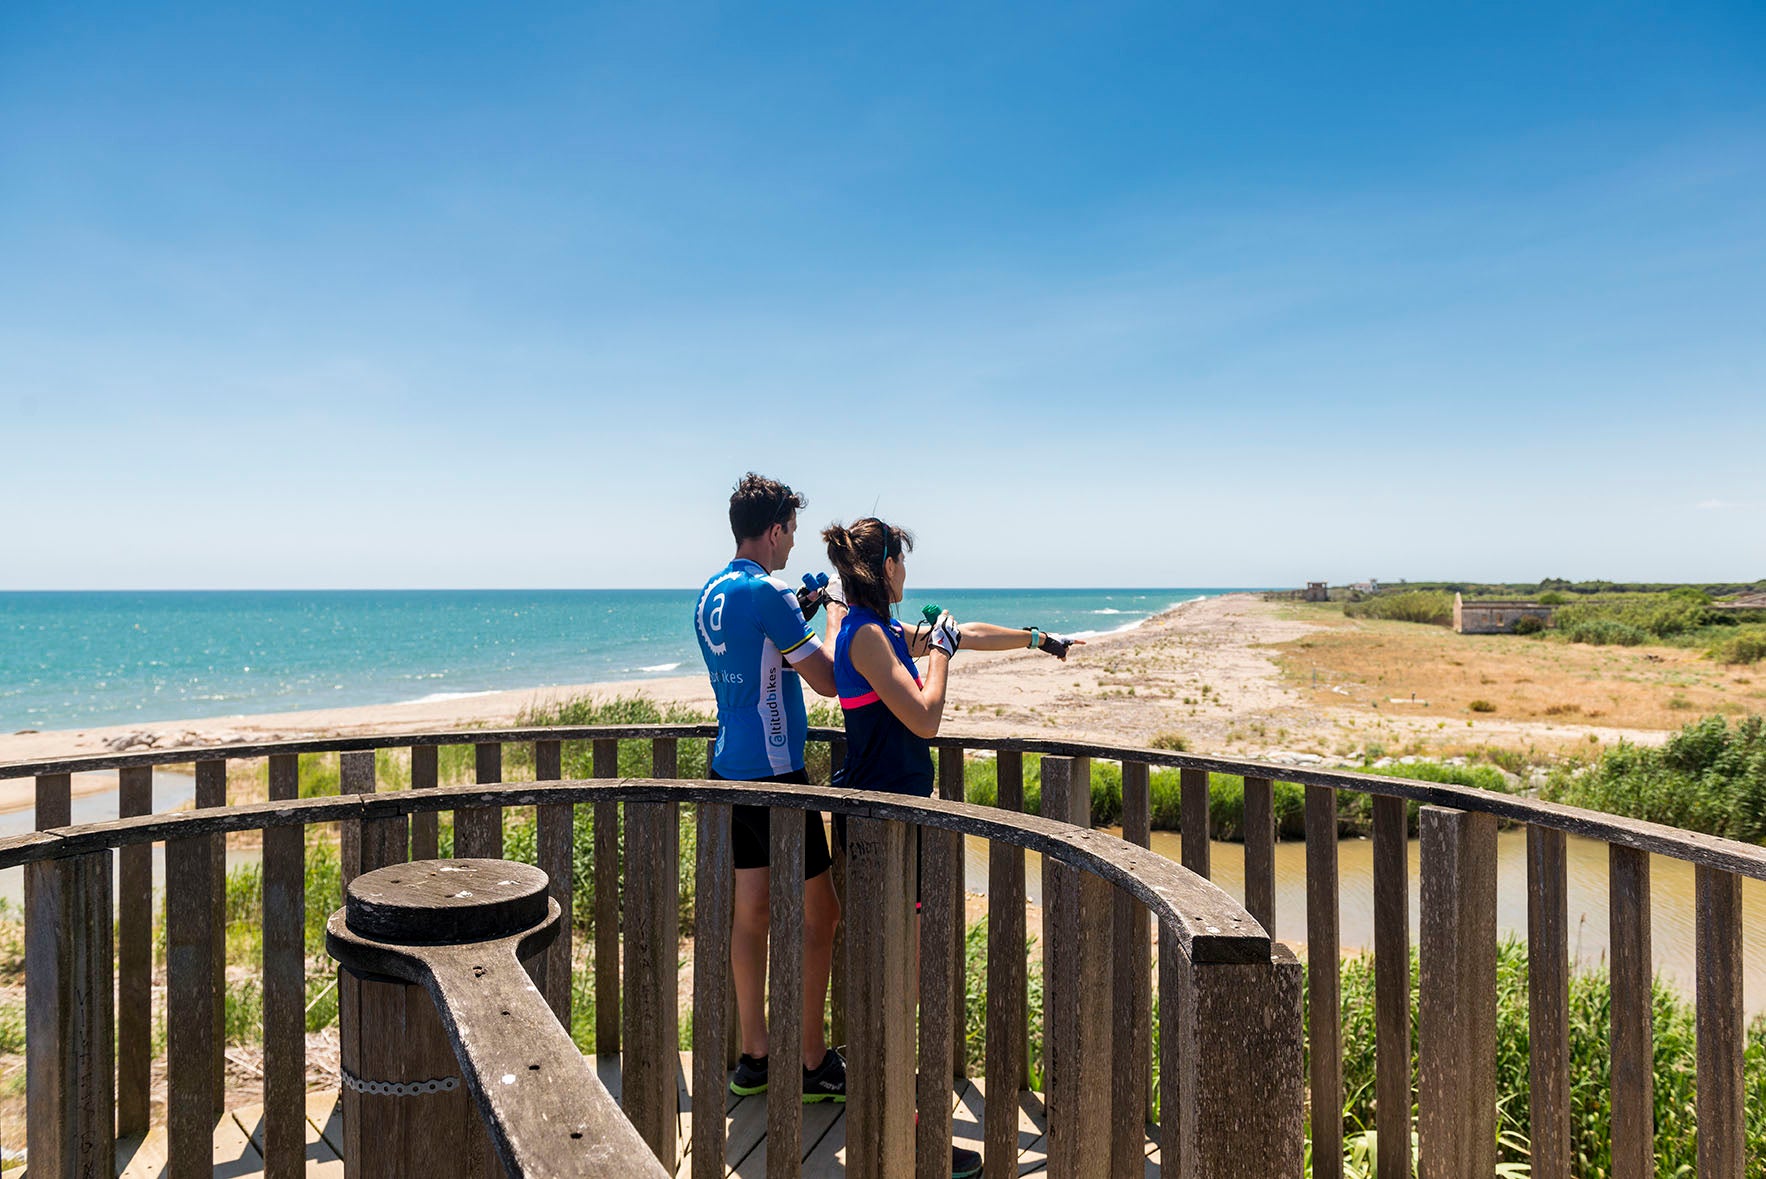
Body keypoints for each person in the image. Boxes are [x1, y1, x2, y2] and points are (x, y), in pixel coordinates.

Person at [821, 516, 1079, 1179]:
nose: (909, 572)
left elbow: (964, 635)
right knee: (897, 982)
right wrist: (937, 652)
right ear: (885, 567)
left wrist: (1036, 639)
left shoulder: (869, 628)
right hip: (881, 829)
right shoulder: (872, 636)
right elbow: (926, 716)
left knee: (897, 978)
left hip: (889, 824)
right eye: (902, 561)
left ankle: (896, 1120)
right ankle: (906, 1133)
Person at [694, 474, 846, 1102]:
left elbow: (754, 657)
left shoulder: (710, 593)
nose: (791, 550)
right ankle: (811, 1060)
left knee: (750, 913)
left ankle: (754, 1055)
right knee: (823, 914)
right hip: (779, 775)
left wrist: (795, 617)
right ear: (777, 527)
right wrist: (831, 616)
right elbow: (829, 681)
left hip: (729, 769)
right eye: (791, 534)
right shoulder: (769, 591)